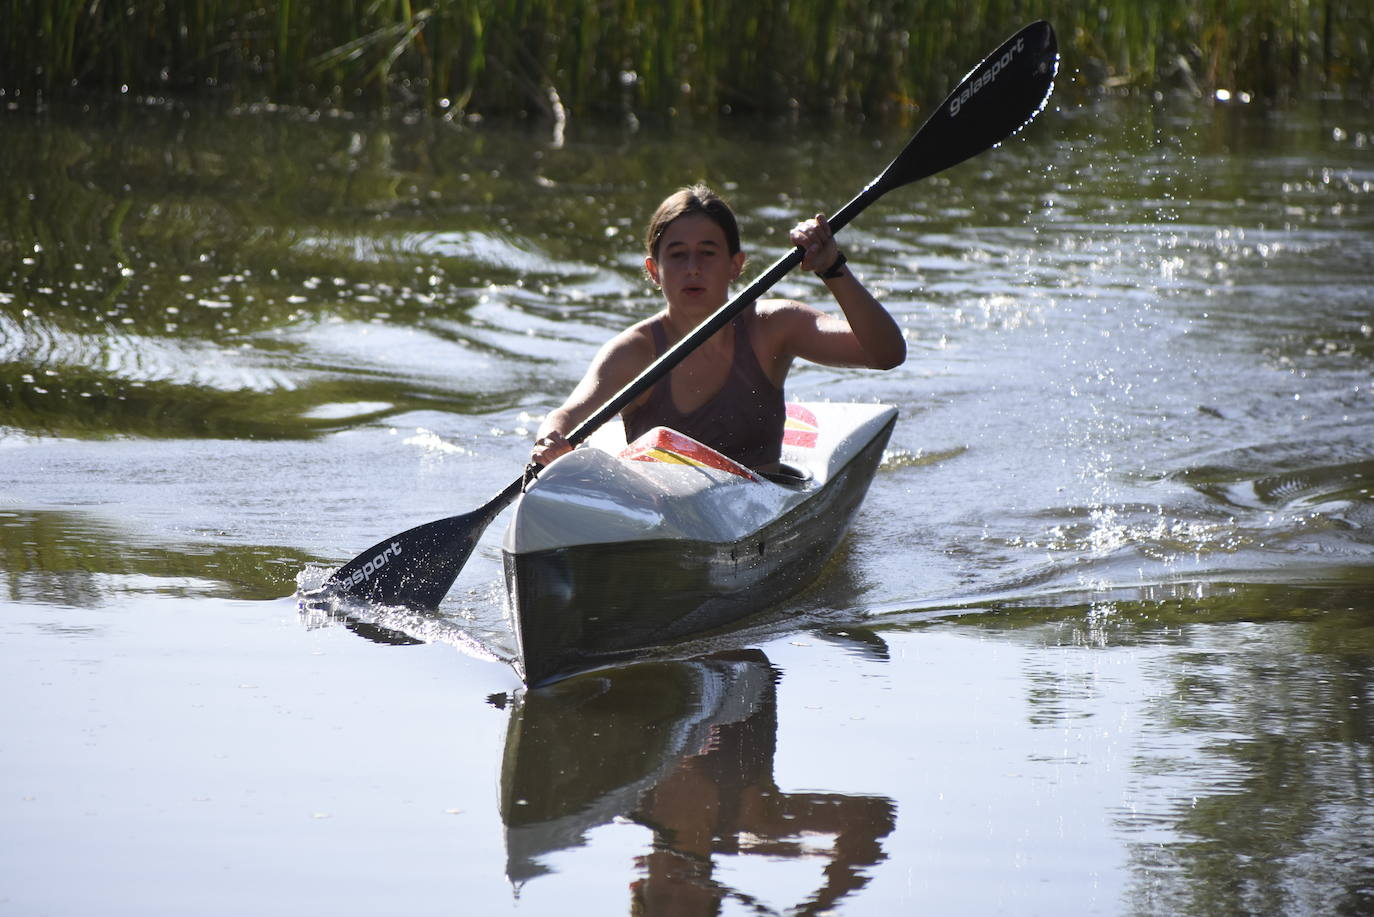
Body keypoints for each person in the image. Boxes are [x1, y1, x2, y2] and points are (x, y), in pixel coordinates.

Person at [530, 183, 905, 472]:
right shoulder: (633, 351)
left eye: (708, 252)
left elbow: (886, 354)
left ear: (735, 265)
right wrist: (550, 441)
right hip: (663, 514)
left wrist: (832, 268)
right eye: (677, 255)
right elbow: (566, 415)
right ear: (654, 272)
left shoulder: (772, 327)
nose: (693, 267)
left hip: (760, 501)